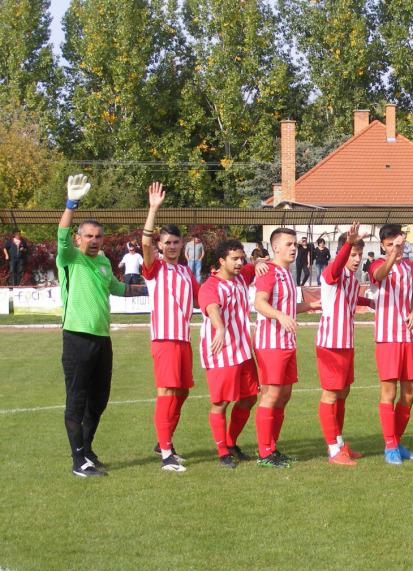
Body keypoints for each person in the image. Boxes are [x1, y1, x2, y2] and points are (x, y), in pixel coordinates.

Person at [58, 174, 147, 477]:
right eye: (89, 236)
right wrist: (72, 203)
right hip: (76, 338)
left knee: (99, 399)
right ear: (78, 239)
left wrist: (151, 288)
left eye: (98, 236)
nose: (94, 240)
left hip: (101, 339)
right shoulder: (69, 258)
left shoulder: (105, 262)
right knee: (77, 398)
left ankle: (87, 449)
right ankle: (77, 460)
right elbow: (61, 234)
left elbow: (118, 289)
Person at [141, 182, 200, 472]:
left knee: (183, 392)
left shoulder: (187, 272)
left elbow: (206, 297)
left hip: (183, 340)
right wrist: (153, 210)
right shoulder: (155, 268)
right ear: (160, 246)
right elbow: (144, 244)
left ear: (181, 244)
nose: (172, 246)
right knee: (166, 392)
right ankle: (166, 453)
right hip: (163, 339)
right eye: (167, 243)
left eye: (176, 242)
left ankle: (164, 442)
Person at [253, 228, 320, 468]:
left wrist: (314, 304)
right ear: (276, 248)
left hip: (287, 344)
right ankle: (264, 453)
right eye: (289, 244)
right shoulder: (268, 271)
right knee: (270, 396)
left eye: (295, 244)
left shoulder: (286, 274)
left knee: (283, 396)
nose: (294, 248)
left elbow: (291, 306)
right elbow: (259, 302)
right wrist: (280, 316)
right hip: (270, 344)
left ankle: (272, 447)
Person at [198, 239, 266, 468]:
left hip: (243, 351)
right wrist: (220, 328)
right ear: (221, 261)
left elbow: (256, 263)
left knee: (249, 398)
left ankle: (230, 442)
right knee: (221, 402)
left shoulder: (242, 275)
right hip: (221, 351)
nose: (240, 263)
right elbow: (211, 307)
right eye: (234, 259)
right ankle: (221, 452)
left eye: (242, 258)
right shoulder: (211, 285)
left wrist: (257, 262)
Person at [316, 224, 371, 465]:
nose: (358, 259)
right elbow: (335, 269)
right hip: (331, 343)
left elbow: (352, 297)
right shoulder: (333, 271)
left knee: (343, 392)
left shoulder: (351, 277)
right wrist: (348, 243)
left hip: (346, 343)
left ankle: (339, 443)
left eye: (360, 254)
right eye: (353, 254)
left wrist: (373, 301)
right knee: (330, 394)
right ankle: (332, 450)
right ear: (342, 253)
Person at [368, 224, 413, 465]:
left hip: (409, 337)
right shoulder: (377, 264)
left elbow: (412, 294)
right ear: (383, 246)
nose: (396, 248)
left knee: (410, 392)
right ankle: (389, 446)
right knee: (389, 392)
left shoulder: (410, 267)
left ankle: (397, 442)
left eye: (398, 243)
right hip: (388, 338)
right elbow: (379, 277)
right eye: (390, 245)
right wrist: (392, 255)